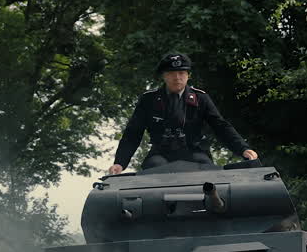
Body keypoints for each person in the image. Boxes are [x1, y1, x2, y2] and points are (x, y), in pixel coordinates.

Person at [108, 53, 259, 175]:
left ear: (188, 75)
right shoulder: (149, 99)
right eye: (172, 73)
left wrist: (243, 148)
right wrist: (120, 163)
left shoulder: (201, 98)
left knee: (207, 171)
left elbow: (221, 126)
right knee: (154, 169)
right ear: (164, 76)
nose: (177, 77)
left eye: (181, 73)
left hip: (194, 152)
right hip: (160, 154)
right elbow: (133, 133)